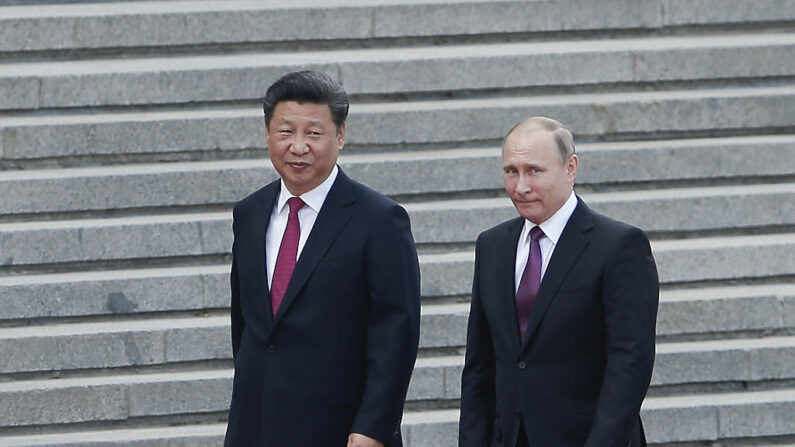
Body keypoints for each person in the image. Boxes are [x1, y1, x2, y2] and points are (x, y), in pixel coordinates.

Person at [224, 71, 421, 447]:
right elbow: (247, 326)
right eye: (286, 132)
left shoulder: (379, 220)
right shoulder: (249, 214)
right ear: (268, 134)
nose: (298, 146)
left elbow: (396, 332)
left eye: (313, 133)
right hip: (255, 426)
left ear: (340, 136)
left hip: (339, 429)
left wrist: (373, 427)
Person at [459, 117, 659, 447]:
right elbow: (480, 365)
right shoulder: (493, 246)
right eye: (511, 171)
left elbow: (630, 364)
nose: (520, 186)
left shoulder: (618, 245)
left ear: (570, 168)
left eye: (534, 171)